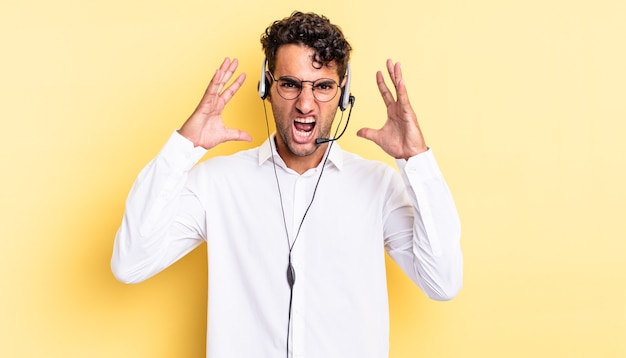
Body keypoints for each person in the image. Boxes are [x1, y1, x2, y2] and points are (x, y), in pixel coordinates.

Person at [111, 11, 463, 358]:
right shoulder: (218, 183)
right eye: (291, 84)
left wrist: (416, 160)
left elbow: (443, 283)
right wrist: (183, 148)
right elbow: (130, 264)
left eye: (323, 87)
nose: (305, 104)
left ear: (342, 95)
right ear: (267, 87)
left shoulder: (379, 186)